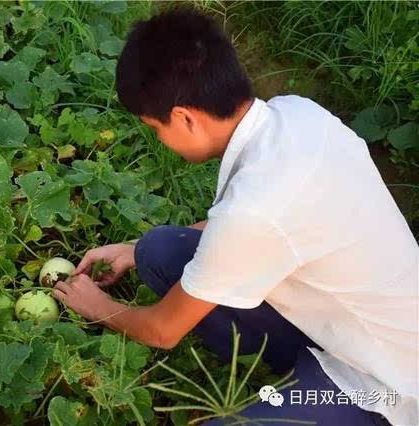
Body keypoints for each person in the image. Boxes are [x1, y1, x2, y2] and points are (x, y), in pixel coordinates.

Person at [51, 6, 418, 426]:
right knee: (157, 250)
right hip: (337, 323)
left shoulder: (256, 208)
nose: (160, 138)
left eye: (156, 128)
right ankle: (288, 367)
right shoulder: (297, 114)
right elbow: (265, 227)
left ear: (184, 118)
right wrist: (133, 250)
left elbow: (161, 331)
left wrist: (97, 307)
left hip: (385, 381)